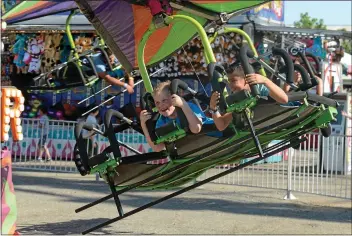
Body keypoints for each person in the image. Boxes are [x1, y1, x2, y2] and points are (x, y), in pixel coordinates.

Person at [139, 80, 212, 152]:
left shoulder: (189, 107)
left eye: (164, 100)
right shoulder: (162, 121)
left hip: (212, 134)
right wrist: (143, 124)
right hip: (192, 147)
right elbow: (157, 148)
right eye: (157, 103)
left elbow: (196, 128)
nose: (161, 105)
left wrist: (183, 105)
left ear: (173, 97)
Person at [209, 67, 289, 131]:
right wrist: (213, 109)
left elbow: (284, 99)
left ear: (246, 79)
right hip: (258, 127)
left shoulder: (260, 87)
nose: (230, 85)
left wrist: (265, 80)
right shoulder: (237, 97)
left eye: (233, 80)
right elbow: (221, 125)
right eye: (229, 82)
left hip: (275, 116)